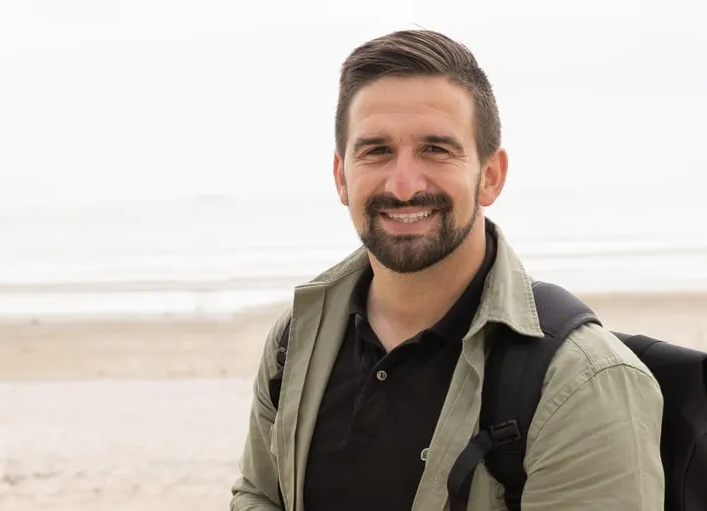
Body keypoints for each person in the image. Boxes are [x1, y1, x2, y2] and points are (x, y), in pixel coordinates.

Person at [230, 29, 665, 511]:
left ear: (491, 176)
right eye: (376, 150)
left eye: (436, 149)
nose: (403, 184)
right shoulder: (297, 339)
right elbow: (258, 494)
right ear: (341, 177)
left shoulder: (581, 381)